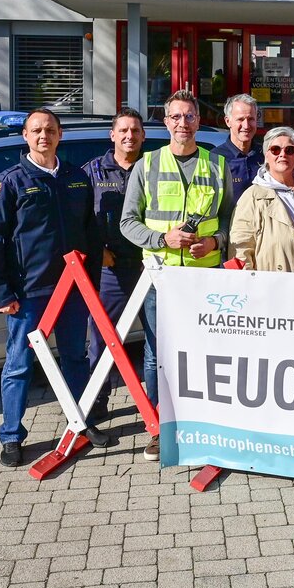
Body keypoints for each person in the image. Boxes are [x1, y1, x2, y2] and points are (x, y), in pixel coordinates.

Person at [0, 109, 108, 468]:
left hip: (73, 290)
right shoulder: (10, 182)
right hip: (28, 293)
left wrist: (92, 284)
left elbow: (91, 236)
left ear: (60, 134)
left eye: (50, 130)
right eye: (36, 130)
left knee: (75, 359)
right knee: (19, 364)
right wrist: (1, 294)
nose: (43, 136)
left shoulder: (76, 178)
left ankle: (81, 424)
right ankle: (11, 437)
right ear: (25, 136)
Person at [119, 89, 233, 461]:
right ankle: (159, 428)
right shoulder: (146, 165)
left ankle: (205, 425)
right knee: (156, 355)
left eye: (189, 116)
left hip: (204, 278)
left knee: (206, 354)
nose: (183, 123)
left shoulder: (217, 166)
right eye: (176, 117)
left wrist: (216, 241)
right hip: (161, 277)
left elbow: (232, 219)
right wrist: (161, 238)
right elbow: (127, 222)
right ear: (166, 122)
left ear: (199, 122)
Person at [81, 108, 146, 408]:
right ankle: (97, 400)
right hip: (112, 268)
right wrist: (98, 250)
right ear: (113, 135)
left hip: (150, 265)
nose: (129, 136)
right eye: (123, 131)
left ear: (143, 136)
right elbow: (79, 220)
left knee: (160, 336)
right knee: (103, 337)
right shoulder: (92, 171)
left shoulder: (153, 168)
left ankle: (160, 401)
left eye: (134, 131)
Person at [229, 126, 294, 272]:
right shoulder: (253, 196)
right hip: (275, 286)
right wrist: (248, 287)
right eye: (275, 149)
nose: (282, 154)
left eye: (289, 150)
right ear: (266, 156)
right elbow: (240, 248)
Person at [214, 94, 264, 206]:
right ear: (228, 121)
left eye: (251, 119)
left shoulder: (266, 155)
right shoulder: (215, 159)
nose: (246, 126)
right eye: (240, 119)